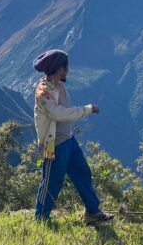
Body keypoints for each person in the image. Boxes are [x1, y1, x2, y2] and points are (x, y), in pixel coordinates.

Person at [32, 49, 114, 225]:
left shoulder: (58, 86)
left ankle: (93, 212)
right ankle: (40, 218)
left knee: (83, 173)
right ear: (60, 68)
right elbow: (58, 114)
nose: (68, 69)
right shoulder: (43, 92)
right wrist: (87, 109)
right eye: (66, 66)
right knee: (51, 182)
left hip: (68, 140)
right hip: (53, 144)